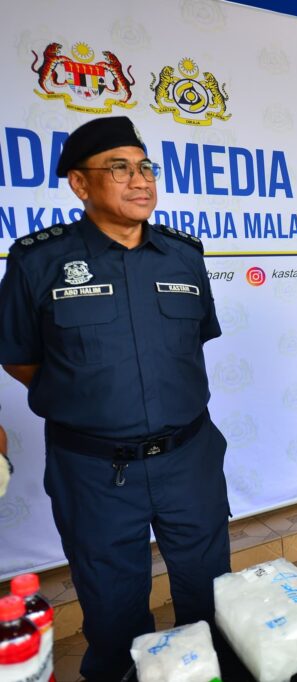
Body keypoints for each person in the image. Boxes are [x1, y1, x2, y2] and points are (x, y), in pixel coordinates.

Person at [0, 116, 230, 680]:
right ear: (81, 185)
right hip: (94, 470)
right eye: (119, 168)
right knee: (113, 611)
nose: (140, 180)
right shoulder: (38, 260)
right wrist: (86, 397)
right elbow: (18, 356)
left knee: (211, 597)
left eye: (146, 167)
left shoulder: (183, 255)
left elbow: (190, 343)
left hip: (188, 458)